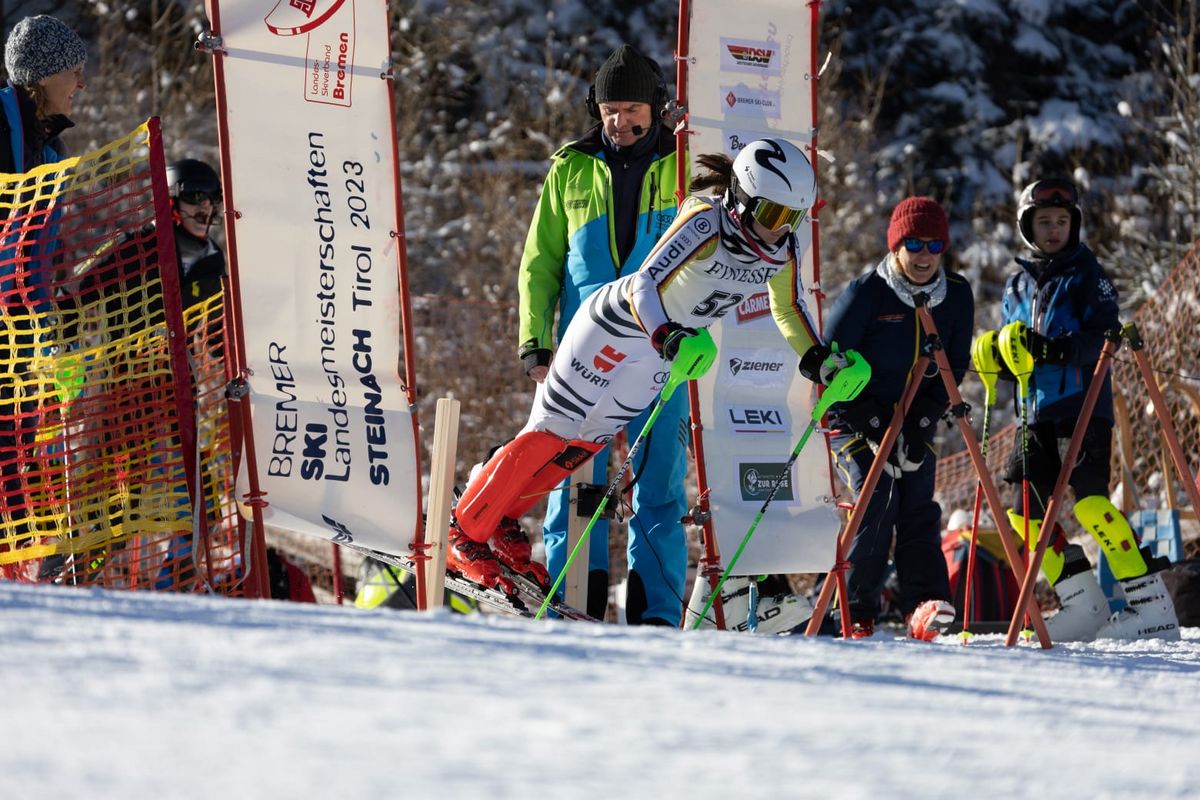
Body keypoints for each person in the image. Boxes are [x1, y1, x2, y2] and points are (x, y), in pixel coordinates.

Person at [447, 137, 864, 610]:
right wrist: (665, 331)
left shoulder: (780, 249)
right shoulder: (706, 220)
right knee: (553, 430)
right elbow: (645, 281)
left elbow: (786, 307)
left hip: (660, 352)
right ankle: (464, 530)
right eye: (772, 215)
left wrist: (818, 360)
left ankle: (499, 517)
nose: (780, 230)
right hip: (616, 326)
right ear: (743, 199)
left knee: (583, 444)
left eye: (792, 218)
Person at [512, 44, 686, 623]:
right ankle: (575, 602)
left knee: (658, 485)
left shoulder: (684, 165)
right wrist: (536, 341)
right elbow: (540, 262)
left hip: (660, 351)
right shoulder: (570, 166)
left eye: (632, 107)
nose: (620, 121)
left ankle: (655, 613)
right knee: (570, 482)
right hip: (582, 354)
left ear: (656, 107)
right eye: (610, 109)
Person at [995, 177, 1179, 641]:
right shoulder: (1016, 285)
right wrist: (994, 357)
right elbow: (1011, 345)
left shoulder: (1086, 274)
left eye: (1062, 221)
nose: (1054, 230)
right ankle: (1082, 599)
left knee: (1092, 502)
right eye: (1044, 222)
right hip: (1032, 412)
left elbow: (1105, 333)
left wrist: (1059, 350)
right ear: (1027, 227)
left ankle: (1148, 601)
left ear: (1073, 225)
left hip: (1081, 405)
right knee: (1023, 512)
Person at [820, 196, 973, 640]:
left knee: (918, 503)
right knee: (878, 494)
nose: (924, 256)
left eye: (934, 245)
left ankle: (924, 605)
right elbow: (829, 368)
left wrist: (920, 424)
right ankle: (854, 609)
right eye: (913, 244)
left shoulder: (956, 296)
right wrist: (872, 426)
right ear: (895, 246)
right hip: (852, 418)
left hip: (912, 418)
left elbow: (954, 366)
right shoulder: (866, 293)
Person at [0, 15, 87, 540]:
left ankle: (22, 550)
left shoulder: (48, 149)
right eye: (74, 72)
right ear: (43, 74)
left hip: (19, 328)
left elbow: (32, 253)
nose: (81, 84)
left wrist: (48, 314)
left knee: (20, 434)